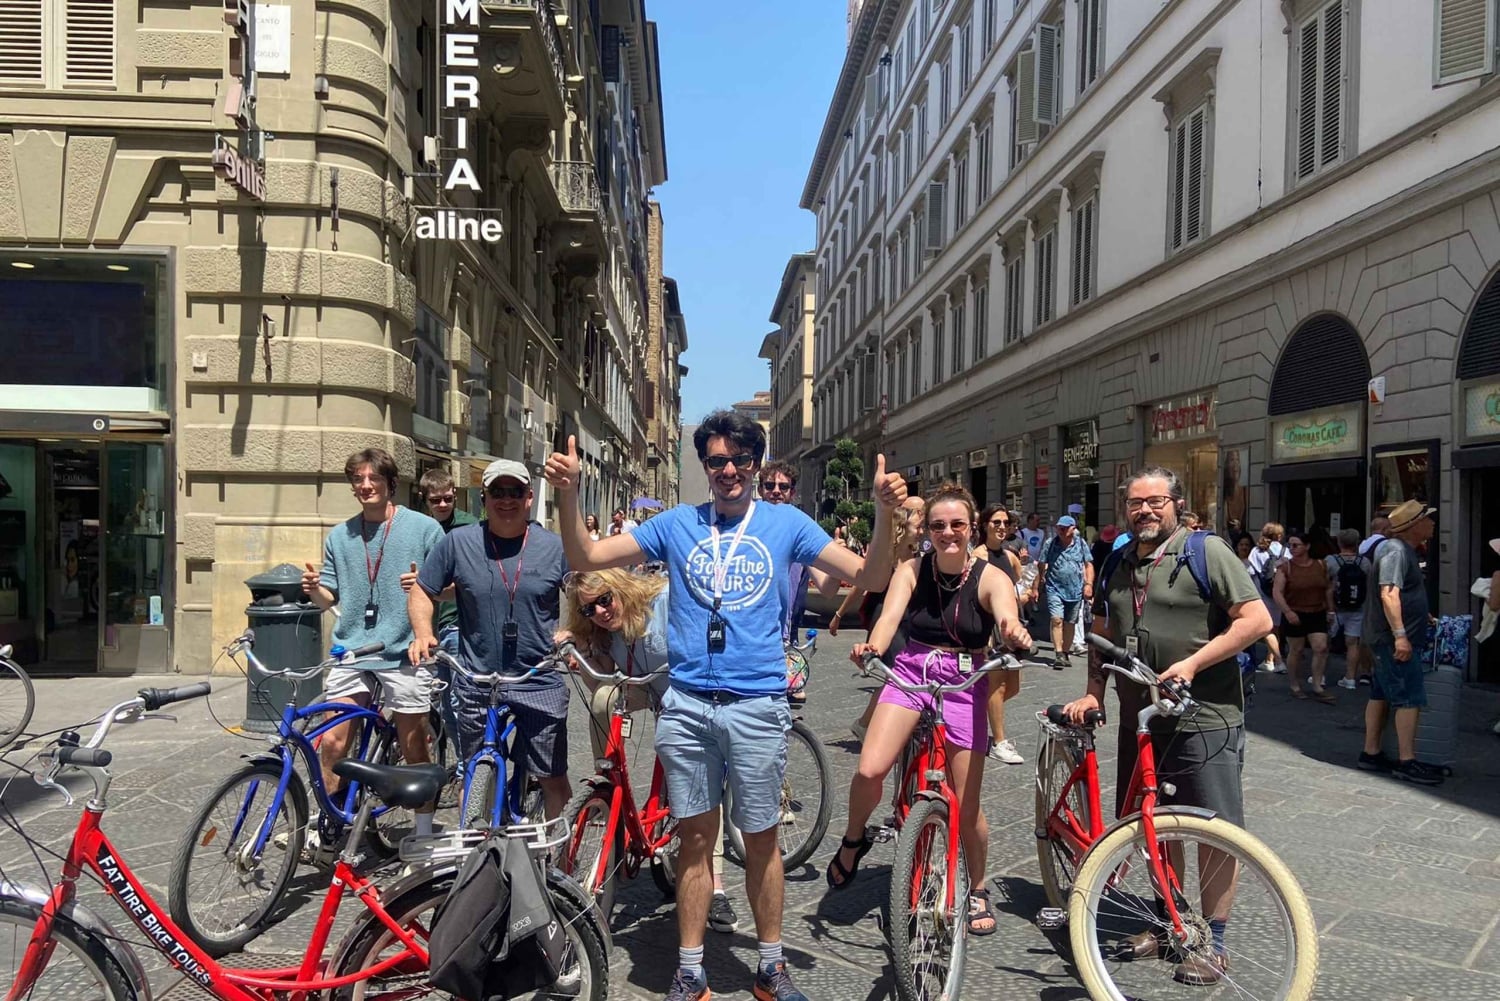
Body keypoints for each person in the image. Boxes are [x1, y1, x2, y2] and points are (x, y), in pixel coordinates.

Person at [543, 408, 907, 1001]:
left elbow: (871, 573)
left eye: (740, 459)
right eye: (716, 461)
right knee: (693, 838)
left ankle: (769, 965)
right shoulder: (677, 525)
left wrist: (886, 514)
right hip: (687, 705)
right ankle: (690, 970)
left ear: (756, 464)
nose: (729, 470)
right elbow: (585, 557)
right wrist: (567, 494)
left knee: (761, 838)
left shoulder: (787, 523)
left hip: (757, 704)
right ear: (705, 466)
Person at [1063, 466, 1272, 986]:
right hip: (1142, 719)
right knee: (1154, 824)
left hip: (1204, 716)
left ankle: (1214, 941)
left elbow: (1256, 620)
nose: (1145, 511)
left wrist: (1194, 663)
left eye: (1156, 501)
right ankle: (1170, 920)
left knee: (1214, 832)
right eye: (1135, 503)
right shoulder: (1116, 559)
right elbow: (1103, 630)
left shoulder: (1206, 552)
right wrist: (1094, 691)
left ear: (1177, 503)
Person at [829, 483, 1029, 941]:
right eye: (938, 525)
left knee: (967, 800)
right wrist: (873, 647)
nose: (947, 533)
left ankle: (977, 886)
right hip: (913, 669)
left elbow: (1004, 612)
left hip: (965, 677)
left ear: (971, 527)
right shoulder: (912, 569)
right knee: (870, 768)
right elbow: (889, 617)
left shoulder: (991, 575)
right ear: (928, 531)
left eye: (957, 525)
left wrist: (1011, 627)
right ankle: (854, 838)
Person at [561, 568, 743, 935]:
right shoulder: (600, 630)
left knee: (700, 780)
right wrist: (580, 652)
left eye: (604, 600)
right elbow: (604, 677)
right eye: (588, 609)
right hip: (642, 689)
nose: (599, 612)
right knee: (602, 699)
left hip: (686, 695)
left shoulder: (663, 602)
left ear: (620, 587)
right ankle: (608, 780)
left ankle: (717, 885)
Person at [407, 459, 573, 819]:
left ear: (530, 497)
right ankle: (474, 849)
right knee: (474, 768)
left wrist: (575, 631)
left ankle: (558, 860)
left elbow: (587, 591)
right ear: (484, 497)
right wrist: (423, 633)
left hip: (537, 678)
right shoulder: (458, 543)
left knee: (552, 778)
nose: (507, 499)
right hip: (476, 678)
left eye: (515, 492)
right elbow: (422, 591)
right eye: (498, 491)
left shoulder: (553, 547)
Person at [301, 448, 443, 842]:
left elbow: (451, 588)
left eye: (373, 478)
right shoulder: (340, 535)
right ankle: (330, 825)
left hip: (403, 651)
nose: (365, 485)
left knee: (413, 745)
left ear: (389, 483)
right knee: (332, 740)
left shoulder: (424, 529)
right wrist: (316, 591)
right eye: (358, 479)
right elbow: (330, 598)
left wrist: (425, 588)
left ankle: (424, 830)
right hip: (353, 649)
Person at [1358, 499, 1444, 785]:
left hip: (1386, 637)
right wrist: (1401, 636)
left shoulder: (1397, 549)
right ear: (1413, 525)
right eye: (1428, 519)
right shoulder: (1396, 550)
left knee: (1380, 694)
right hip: (1391, 640)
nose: (1432, 523)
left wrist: (1422, 613)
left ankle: (1371, 752)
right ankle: (1407, 761)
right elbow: (1389, 594)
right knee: (1409, 697)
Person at [833, 496, 927, 741]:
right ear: (903, 521)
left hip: (906, 619)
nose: (921, 527)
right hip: (883, 616)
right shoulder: (887, 554)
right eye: (917, 515)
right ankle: (870, 725)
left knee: (895, 677)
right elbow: (859, 583)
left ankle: (869, 724)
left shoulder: (917, 554)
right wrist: (839, 614)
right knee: (898, 672)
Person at [418, 467, 480, 749]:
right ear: (425, 499)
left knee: (457, 702)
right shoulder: (418, 527)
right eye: (435, 500)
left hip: (457, 622)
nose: (442, 505)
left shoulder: (470, 526)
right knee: (443, 704)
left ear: (455, 495)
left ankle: (466, 771)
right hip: (428, 627)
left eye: (447, 498)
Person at [974, 504, 1026, 765]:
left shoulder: (1010, 556)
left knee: (1013, 686)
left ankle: (974, 715)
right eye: (996, 522)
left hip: (1010, 626)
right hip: (990, 628)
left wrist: (1024, 598)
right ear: (985, 525)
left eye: (1006, 522)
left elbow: (1017, 582)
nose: (1002, 527)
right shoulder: (978, 555)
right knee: (997, 685)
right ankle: (999, 741)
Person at [1273, 531, 1335, 703]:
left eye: (1296, 545)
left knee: (1321, 647)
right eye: (1290, 545)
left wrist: (1330, 610)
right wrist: (1287, 612)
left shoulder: (1321, 565)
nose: (1292, 549)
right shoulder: (1286, 567)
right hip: (1295, 612)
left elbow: (1328, 588)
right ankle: (1295, 685)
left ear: (1307, 546)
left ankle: (1317, 685)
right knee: (1297, 650)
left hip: (1316, 612)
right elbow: (1277, 592)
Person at [1037, 515, 1093, 669]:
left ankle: (1066, 652)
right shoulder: (1051, 544)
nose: (1060, 530)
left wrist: (1088, 584)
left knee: (1070, 623)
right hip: (1054, 587)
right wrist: (1040, 580)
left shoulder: (1081, 544)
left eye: (1064, 527)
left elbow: (1088, 564)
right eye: (1059, 527)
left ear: (1073, 529)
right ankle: (1059, 653)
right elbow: (1041, 563)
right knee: (1057, 619)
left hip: (1075, 590)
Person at [1326, 528, 1372, 689]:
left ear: (1339, 542)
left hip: (1335, 608)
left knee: (1326, 641)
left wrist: (1329, 609)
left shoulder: (1331, 561)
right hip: (1358, 608)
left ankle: (1321, 675)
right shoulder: (1364, 562)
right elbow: (1369, 587)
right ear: (1357, 543)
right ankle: (1350, 678)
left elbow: (1325, 586)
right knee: (1353, 643)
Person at [1248, 522, 1289, 673]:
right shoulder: (1286, 551)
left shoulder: (1257, 551)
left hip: (1261, 593)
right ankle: (1270, 659)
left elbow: (1250, 572)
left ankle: (1277, 661)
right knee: (1274, 627)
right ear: (1279, 535)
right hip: (1279, 594)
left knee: (1265, 628)